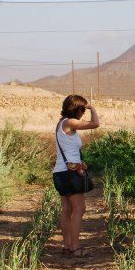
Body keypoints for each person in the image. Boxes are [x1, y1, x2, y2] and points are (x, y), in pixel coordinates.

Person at [53, 95, 100, 257]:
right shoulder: (69, 122)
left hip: (61, 172)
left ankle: (67, 245)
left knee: (67, 209)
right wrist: (92, 108)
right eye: (82, 109)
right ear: (76, 108)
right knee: (80, 208)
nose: (84, 113)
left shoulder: (62, 124)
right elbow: (96, 124)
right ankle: (75, 246)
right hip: (69, 174)